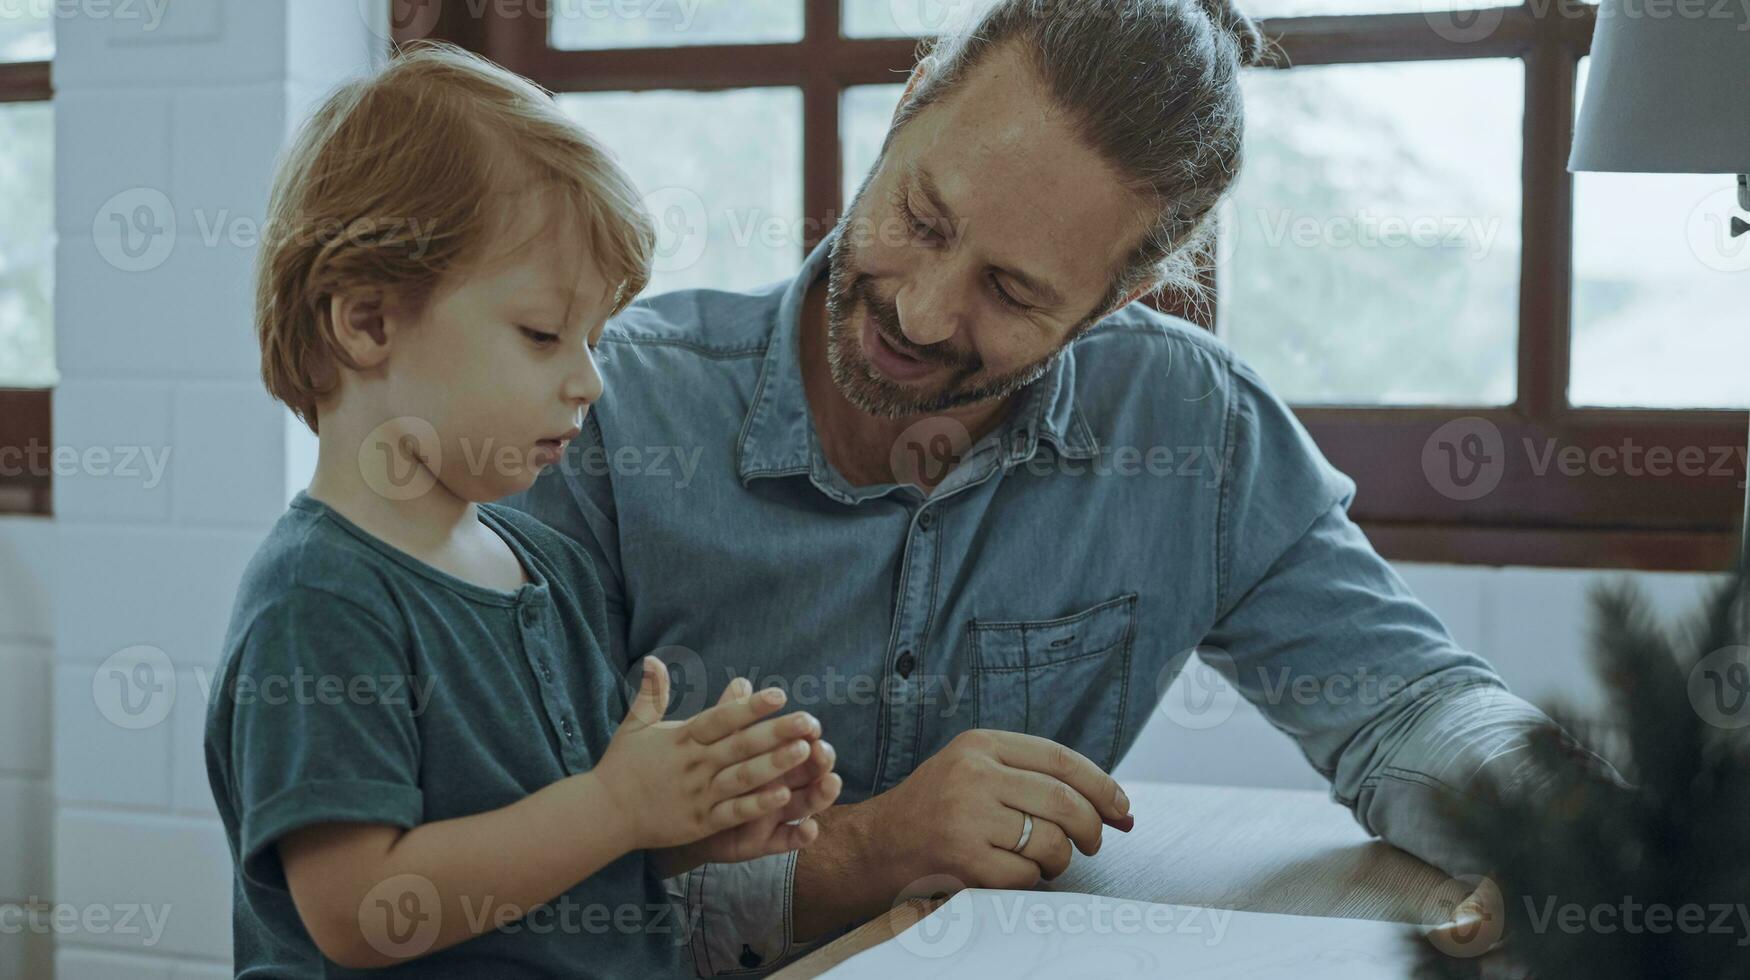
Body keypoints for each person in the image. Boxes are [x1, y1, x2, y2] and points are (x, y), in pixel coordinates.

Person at [505, 0, 1602, 973]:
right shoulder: (599, 416)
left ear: (1122, 292)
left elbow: (1405, 702)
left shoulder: (1191, 429)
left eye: (1014, 291)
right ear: (906, 109)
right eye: (922, 219)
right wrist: (866, 851)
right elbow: (481, 879)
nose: (926, 312)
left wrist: (1564, 830)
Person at [204, 44, 841, 977]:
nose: (588, 379)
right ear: (368, 322)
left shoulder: (553, 566)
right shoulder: (320, 600)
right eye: (543, 334)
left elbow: (557, 856)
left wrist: (688, 817)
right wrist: (616, 808)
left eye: (594, 338)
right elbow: (363, 911)